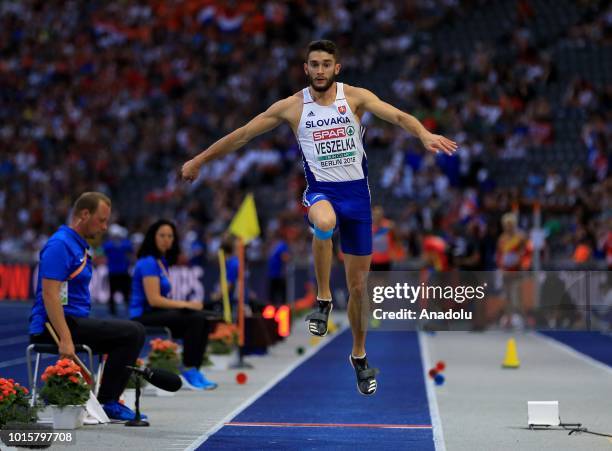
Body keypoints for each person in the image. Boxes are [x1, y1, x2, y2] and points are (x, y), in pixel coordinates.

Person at [181, 40, 458, 395]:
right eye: (314, 64)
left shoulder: (355, 97)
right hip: (322, 192)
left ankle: (358, 355)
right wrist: (200, 160)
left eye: (327, 64)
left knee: (359, 289)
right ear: (306, 68)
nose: (321, 70)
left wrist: (423, 133)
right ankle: (324, 299)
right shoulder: (292, 107)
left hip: (357, 197)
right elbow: (243, 134)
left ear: (337, 68)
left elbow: (399, 116)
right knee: (323, 222)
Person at [29, 192, 147, 421]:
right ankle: (108, 402)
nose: (104, 227)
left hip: (73, 322)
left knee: (132, 332)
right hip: (52, 326)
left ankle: (107, 399)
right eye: (101, 220)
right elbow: (50, 295)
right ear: (84, 214)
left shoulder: (77, 244)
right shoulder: (60, 244)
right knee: (133, 333)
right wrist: (65, 338)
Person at [129, 219, 217, 390]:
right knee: (196, 318)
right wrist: (187, 305)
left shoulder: (162, 262)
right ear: (152, 237)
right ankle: (189, 369)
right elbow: (154, 299)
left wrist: (186, 306)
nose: (166, 239)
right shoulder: (148, 262)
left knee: (205, 318)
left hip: (158, 312)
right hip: (143, 315)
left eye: (170, 236)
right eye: (162, 235)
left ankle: (195, 369)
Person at [102, 224, 133, 316]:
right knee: (115, 294)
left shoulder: (109, 245)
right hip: (117, 272)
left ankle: (117, 311)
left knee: (124, 293)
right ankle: (115, 311)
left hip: (119, 272)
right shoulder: (123, 244)